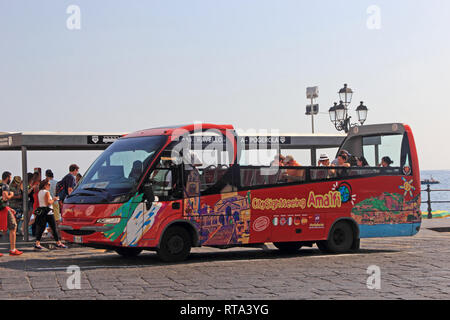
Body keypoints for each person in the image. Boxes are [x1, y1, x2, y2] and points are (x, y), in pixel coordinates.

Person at [34, 180, 67, 250]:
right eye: (48, 184)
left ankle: (37, 243)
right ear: (45, 185)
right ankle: (58, 243)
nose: (49, 186)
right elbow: (48, 203)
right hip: (48, 212)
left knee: (41, 228)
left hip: (42, 211)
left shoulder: (40, 192)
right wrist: (54, 199)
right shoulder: (46, 192)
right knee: (54, 227)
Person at [1, 172, 23, 256]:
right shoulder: (5, 186)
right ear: (7, 178)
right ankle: (13, 249)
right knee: (13, 226)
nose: (10, 179)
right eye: (10, 177)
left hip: (3, 208)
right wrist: (11, 195)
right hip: (4, 209)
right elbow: (5, 197)